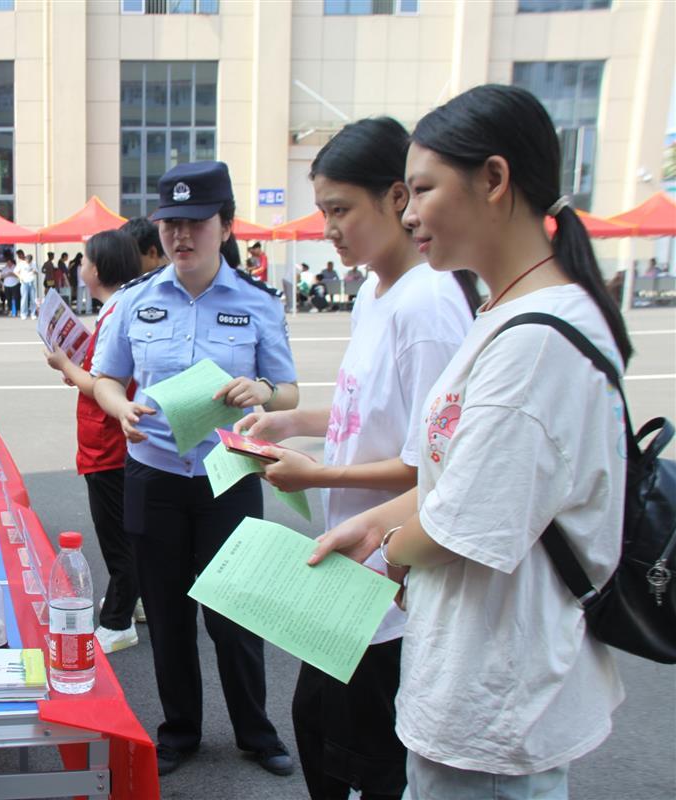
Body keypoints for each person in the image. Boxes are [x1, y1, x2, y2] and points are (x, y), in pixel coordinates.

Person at [310, 84, 631, 800]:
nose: (411, 212)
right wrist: (364, 527)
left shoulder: (537, 342)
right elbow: (446, 481)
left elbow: (460, 524)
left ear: (494, 179)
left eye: (422, 189)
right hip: (467, 678)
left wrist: (380, 558)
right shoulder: (501, 309)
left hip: (497, 700)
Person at [235, 117, 480, 800]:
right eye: (322, 212)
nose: (329, 228)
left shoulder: (427, 305)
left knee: (361, 753)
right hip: (351, 567)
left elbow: (435, 464)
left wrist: (317, 472)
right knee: (317, 726)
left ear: (398, 198)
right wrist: (292, 420)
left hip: (392, 576)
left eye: (340, 210)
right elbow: (367, 411)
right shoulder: (375, 293)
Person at [92, 161, 300, 780]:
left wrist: (259, 388)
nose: (181, 236)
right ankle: (178, 730)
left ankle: (256, 734)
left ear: (226, 226)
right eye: (171, 224)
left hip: (226, 474)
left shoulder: (257, 303)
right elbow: (106, 376)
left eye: (196, 223)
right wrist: (121, 407)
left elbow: (287, 391)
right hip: (152, 473)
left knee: (235, 612)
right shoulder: (136, 301)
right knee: (169, 608)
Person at [42, 229, 145, 654]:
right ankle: (132, 602)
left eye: (84, 260)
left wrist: (64, 361)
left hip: (109, 443)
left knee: (119, 539)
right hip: (110, 438)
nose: (80, 267)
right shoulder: (121, 307)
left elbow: (105, 385)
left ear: (97, 268)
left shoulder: (118, 311)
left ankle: (118, 620)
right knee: (128, 533)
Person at [17, 250, 39, 319]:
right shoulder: (21, 263)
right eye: (27, 261)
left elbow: (37, 272)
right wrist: (20, 277)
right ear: (25, 259)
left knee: (33, 298)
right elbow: (15, 271)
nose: (28, 263)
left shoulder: (34, 263)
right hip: (24, 282)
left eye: (29, 261)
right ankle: (23, 313)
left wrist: (34, 271)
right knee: (24, 298)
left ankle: (33, 313)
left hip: (31, 282)